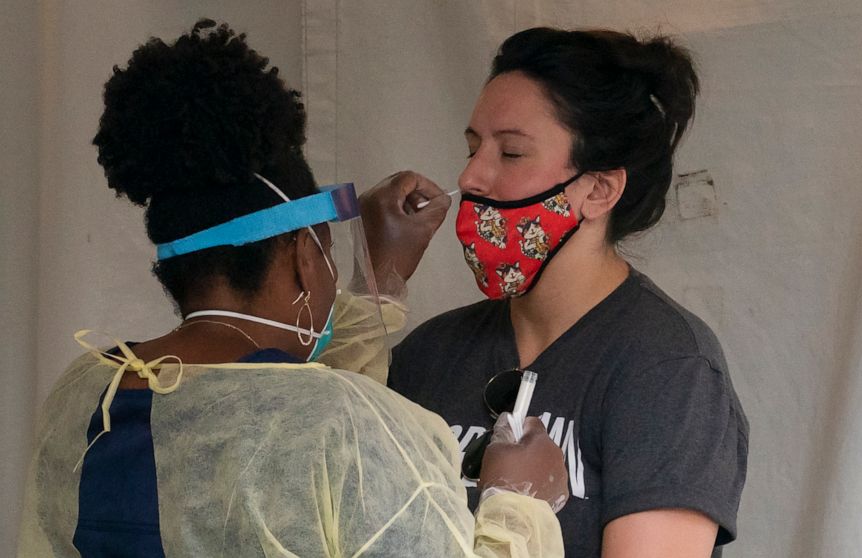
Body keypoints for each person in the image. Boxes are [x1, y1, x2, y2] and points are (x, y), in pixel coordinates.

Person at [17, 20, 568, 557]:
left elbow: (284, 404)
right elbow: (317, 424)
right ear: (306, 257)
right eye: (327, 252)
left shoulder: (85, 398)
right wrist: (517, 507)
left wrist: (381, 280)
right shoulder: (351, 428)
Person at [388, 27, 748, 557]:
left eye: (510, 153)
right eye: (471, 149)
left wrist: (520, 513)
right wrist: (373, 283)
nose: (470, 177)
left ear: (598, 190)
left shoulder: (669, 371)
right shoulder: (430, 353)